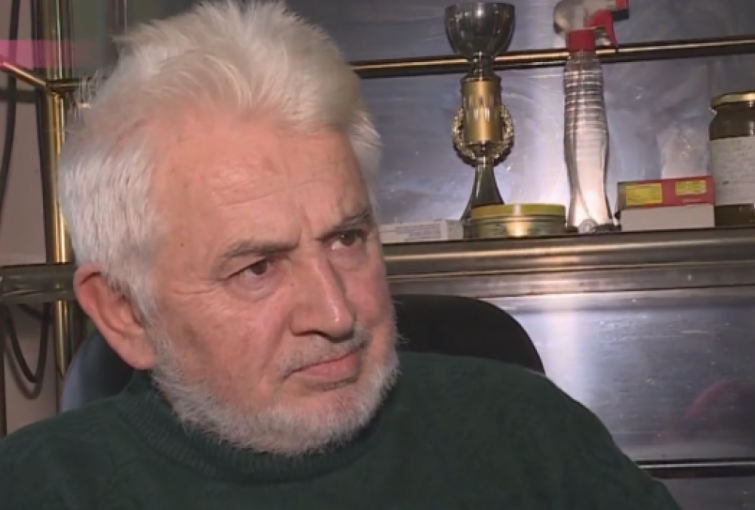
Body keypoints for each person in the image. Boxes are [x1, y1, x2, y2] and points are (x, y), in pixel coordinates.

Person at [0, 1, 681, 509]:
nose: (336, 313)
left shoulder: (531, 437)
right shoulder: (37, 488)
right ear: (124, 313)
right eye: (257, 268)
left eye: (346, 239)